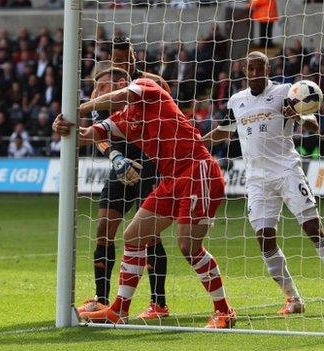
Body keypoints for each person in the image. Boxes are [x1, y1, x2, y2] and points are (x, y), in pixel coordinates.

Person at [53, 67, 235, 328]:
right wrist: (62, 124)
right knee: (134, 237)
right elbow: (87, 136)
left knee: (189, 247)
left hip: (197, 170)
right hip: (171, 178)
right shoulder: (126, 118)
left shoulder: (148, 90)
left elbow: (116, 98)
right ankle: (119, 310)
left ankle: (224, 312)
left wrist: (78, 108)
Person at [203, 51, 324, 314]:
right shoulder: (236, 101)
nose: (254, 74)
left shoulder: (286, 92)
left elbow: (313, 126)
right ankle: (293, 298)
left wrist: (298, 115)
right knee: (264, 238)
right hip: (256, 180)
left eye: (259, 69)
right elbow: (225, 129)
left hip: (287, 171)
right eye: (249, 69)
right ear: (244, 71)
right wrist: (199, 142)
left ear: (268, 70)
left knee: (313, 228)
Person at [74, 36, 173, 321]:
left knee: (149, 235)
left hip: (150, 167)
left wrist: (152, 159)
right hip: (120, 167)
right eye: (117, 59)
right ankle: (101, 300)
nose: (122, 63)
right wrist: (116, 159)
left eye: (125, 58)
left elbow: (167, 120)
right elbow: (98, 134)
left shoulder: (151, 84)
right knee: (104, 229)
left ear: (132, 57)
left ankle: (159, 303)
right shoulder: (102, 89)